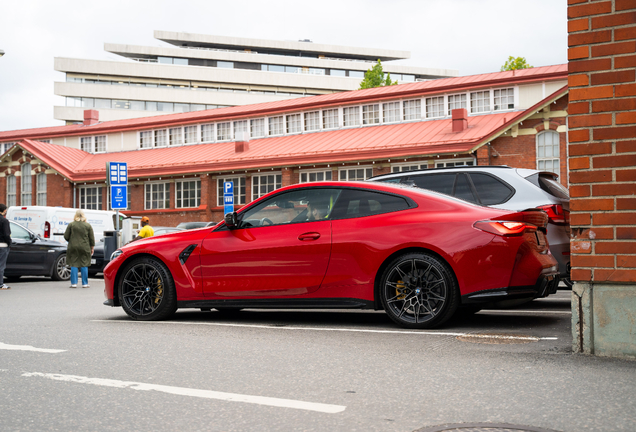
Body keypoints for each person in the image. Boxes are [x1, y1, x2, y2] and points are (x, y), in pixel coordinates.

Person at [64, 209, 95, 289]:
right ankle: (85, 283)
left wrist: (72, 241)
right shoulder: (87, 225)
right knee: (84, 264)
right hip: (85, 247)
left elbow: (66, 236)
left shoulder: (71, 225)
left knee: (74, 263)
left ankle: (74, 283)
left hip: (73, 246)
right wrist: (92, 247)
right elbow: (91, 238)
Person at [0, 204, 11, 290]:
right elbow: (7, 234)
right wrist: (9, 243)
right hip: (2, 245)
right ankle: (0, 284)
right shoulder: (4, 221)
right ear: (3, 210)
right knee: (1, 265)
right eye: (6, 210)